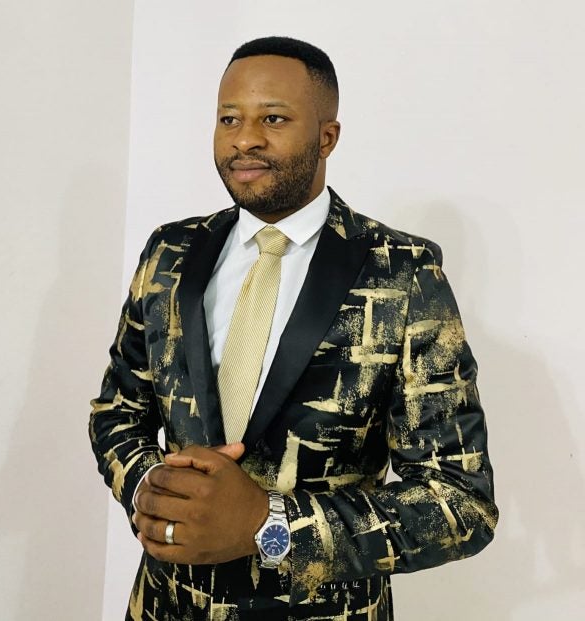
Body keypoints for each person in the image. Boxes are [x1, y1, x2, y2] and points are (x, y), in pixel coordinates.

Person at [89, 36, 497, 621]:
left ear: (327, 137)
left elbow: (460, 501)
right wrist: (148, 486)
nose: (244, 138)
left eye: (273, 119)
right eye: (229, 118)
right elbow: (117, 412)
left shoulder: (402, 272)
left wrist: (269, 524)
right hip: (164, 605)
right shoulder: (170, 253)